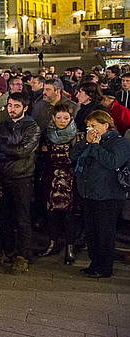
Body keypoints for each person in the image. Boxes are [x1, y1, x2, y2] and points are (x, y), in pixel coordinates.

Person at [71, 110, 130, 278]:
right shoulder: (89, 140)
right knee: (91, 231)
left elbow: (112, 162)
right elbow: (73, 155)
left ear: (106, 125)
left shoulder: (120, 143)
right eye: (88, 126)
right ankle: (94, 263)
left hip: (108, 195)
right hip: (89, 193)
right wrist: (85, 143)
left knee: (104, 232)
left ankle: (104, 267)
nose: (91, 130)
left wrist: (96, 146)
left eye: (94, 126)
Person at [0, 92, 41, 273]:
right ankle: (7, 250)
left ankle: (23, 255)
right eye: (10, 105)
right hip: (3, 176)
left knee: (22, 218)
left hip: (22, 177)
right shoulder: (1, 126)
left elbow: (22, 151)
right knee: (3, 217)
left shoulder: (32, 127)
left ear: (25, 108)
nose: (12, 109)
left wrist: (4, 149)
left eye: (16, 106)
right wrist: (7, 151)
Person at [37, 102, 79, 265]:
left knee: (70, 215)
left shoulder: (77, 135)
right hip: (50, 178)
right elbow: (41, 155)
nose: (62, 121)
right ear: (53, 118)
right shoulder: (46, 134)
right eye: (59, 117)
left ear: (71, 118)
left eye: (66, 118)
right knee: (51, 212)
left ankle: (70, 247)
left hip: (70, 179)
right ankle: (52, 242)